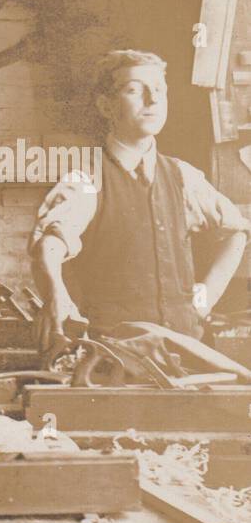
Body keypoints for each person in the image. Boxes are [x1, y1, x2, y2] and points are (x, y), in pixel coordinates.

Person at [30, 49, 249, 350]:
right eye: (135, 90)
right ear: (106, 107)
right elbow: (49, 246)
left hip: (183, 351)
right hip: (112, 358)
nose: (153, 100)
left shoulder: (183, 176)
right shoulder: (86, 180)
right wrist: (58, 298)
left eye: (159, 90)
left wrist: (203, 299)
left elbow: (237, 231)